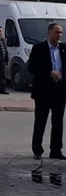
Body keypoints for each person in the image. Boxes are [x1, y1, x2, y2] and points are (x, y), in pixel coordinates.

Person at [28, 23, 66, 160]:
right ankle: (37, 150)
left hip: (59, 90)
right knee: (40, 121)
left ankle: (56, 150)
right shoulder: (39, 48)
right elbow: (31, 67)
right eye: (56, 32)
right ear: (49, 32)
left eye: (61, 32)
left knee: (58, 122)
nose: (59, 35)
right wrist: (48, 73)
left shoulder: (63, 49)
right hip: (43, 91)